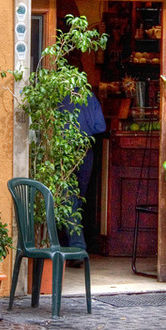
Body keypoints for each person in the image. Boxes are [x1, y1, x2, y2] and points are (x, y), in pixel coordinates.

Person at [59, 81, 106, 265]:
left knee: (68, 199)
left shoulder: (58, 95)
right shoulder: (88, 95)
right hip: (85, 152)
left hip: (62, 151)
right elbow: (99, 127)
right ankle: (76, 248)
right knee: (76, 199)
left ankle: (73, 248)